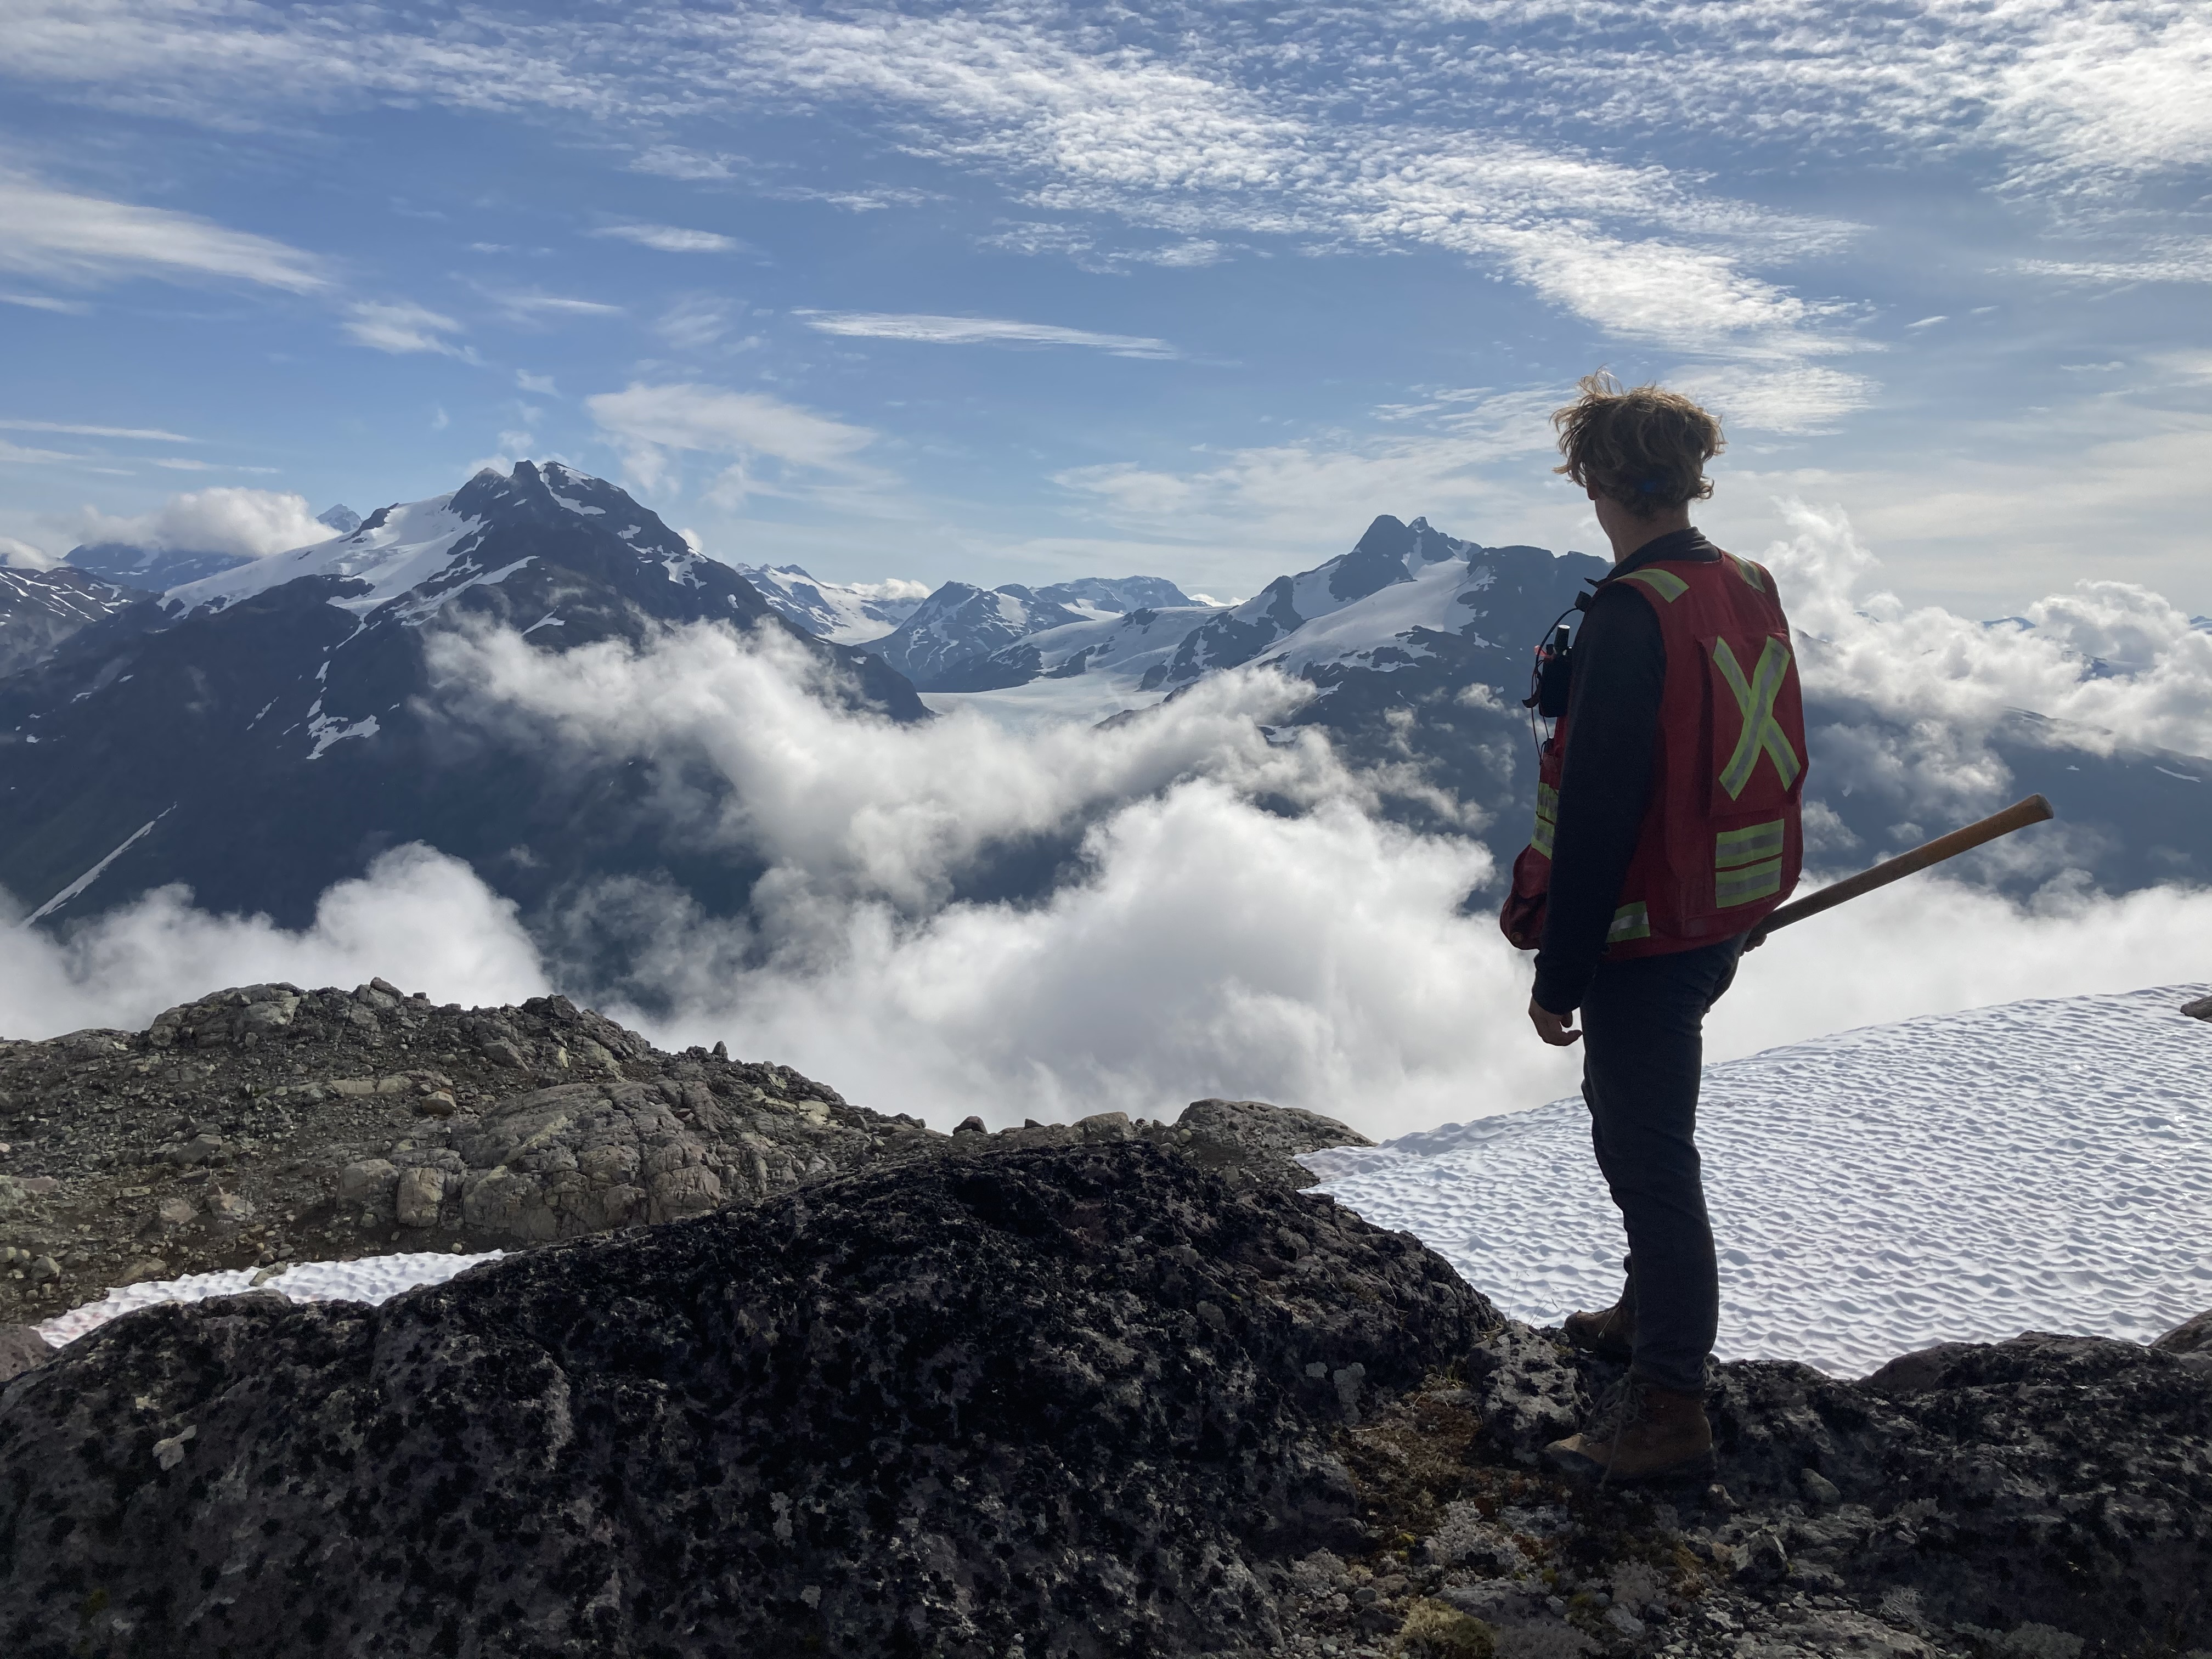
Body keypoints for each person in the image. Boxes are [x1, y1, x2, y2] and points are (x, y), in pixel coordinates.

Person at [1502, 372, 1810, 1483]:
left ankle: (1671, 1401)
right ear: (1689, 478)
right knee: (1638, 1126)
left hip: (1648, 932)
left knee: (1647, 1148)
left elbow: (1598, 811)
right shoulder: (1746, 583)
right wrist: (1737, 907)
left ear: (1595, 481)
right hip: (1720, 908)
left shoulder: (1631, 613)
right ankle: (1647, 1308)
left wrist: (1560, 971)